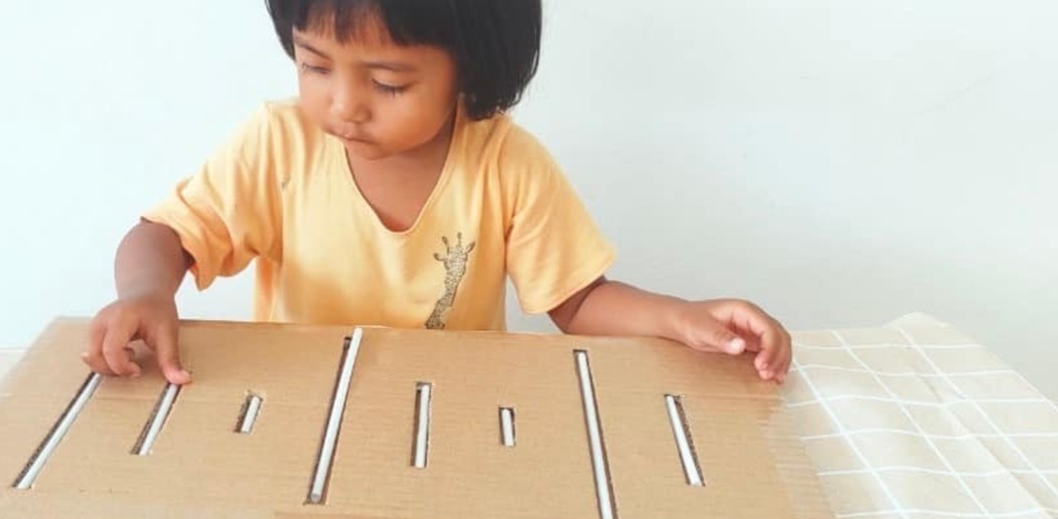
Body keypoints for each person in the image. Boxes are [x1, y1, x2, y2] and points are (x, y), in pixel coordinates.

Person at [80, 0, 792, 386]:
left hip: (451, 412)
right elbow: (166, 233)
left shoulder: (506, 163)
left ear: (469, 71)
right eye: (315, 65)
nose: (344, 105)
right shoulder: (279, 143)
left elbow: (577, 301)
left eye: (388, 82)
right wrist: (145, 293)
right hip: (299, 403)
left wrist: (679, 316)